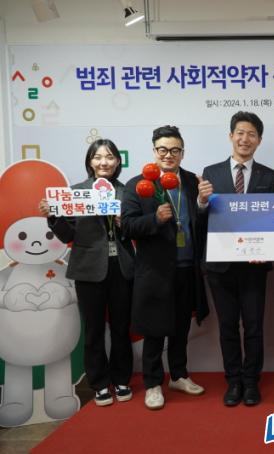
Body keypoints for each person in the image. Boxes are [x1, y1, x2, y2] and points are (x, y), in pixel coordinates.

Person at [39, 139, 134, 407]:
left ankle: (122, 378)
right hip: (88, 269)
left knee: (121, 328)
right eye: (98, 157)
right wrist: (53, 216)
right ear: (90, 162)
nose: (104, 162)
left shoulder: (127, 192)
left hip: (122, 267)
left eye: (109, 157)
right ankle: (100, 383)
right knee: (93, 329)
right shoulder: (75, 193)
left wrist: (124, 222)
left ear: (118, 162)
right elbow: (67, 235)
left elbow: (137, 229)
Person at [122, 125, 209, 411]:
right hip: (155, 271)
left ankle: (179, 375)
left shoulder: (193, 181)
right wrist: (155, 219)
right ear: (154, 151)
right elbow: (128, 226)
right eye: (163, 150)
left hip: (187, 267)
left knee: (181, 327)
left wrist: (203, 202)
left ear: (182, 153)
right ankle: (152, 383)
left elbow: (201, 220)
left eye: (174, 150)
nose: (168, 155)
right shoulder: (139, 184)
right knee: (155, 330)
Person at [198, 112, 274, 407]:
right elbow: (202, 218)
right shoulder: (211, 172)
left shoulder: (269, 176)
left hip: (254, 266)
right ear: (231, 136)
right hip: (220, 265)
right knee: (228, 326)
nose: (245, 139)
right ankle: (233, 381)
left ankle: (251, 381)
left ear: (259, 140)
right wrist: (201, 201)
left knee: (254, 326)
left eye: (251, 134)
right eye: (240, 133)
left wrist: (264, 251)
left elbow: (273, 221)